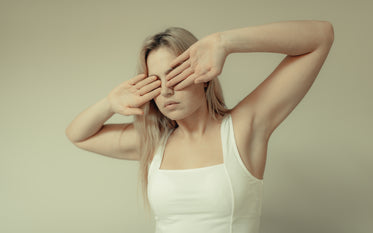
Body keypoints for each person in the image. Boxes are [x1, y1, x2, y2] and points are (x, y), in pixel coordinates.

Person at [65, 20, 334, 233]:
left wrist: (225, 42)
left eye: (176, 74)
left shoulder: (243, 129)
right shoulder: (155, 141)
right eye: (155, 82)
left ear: (204, 76)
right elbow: (78, 135)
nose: (167, 90)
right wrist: (110, 104)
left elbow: (320, 37)